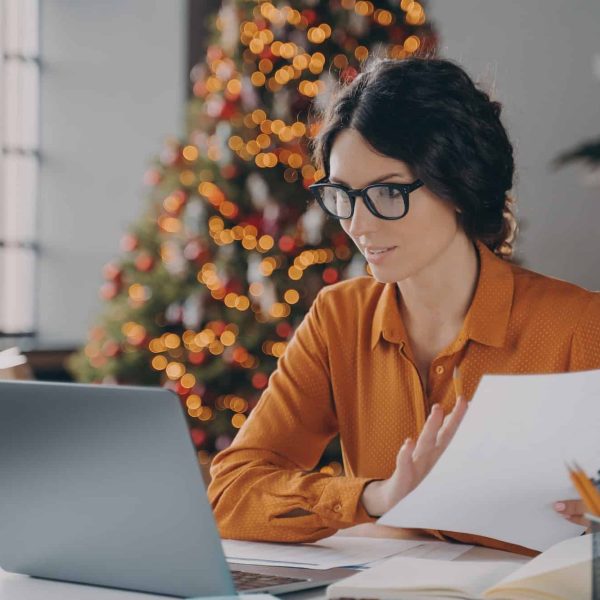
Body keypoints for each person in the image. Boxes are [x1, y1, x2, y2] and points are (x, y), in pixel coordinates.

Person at [207, 57, 600, 555]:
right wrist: (377, 496)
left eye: (388, 192)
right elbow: (231, 493)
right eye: (343, 195)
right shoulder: (339, 318)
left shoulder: (581, 326)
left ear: (457, 184)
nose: (359, 224)